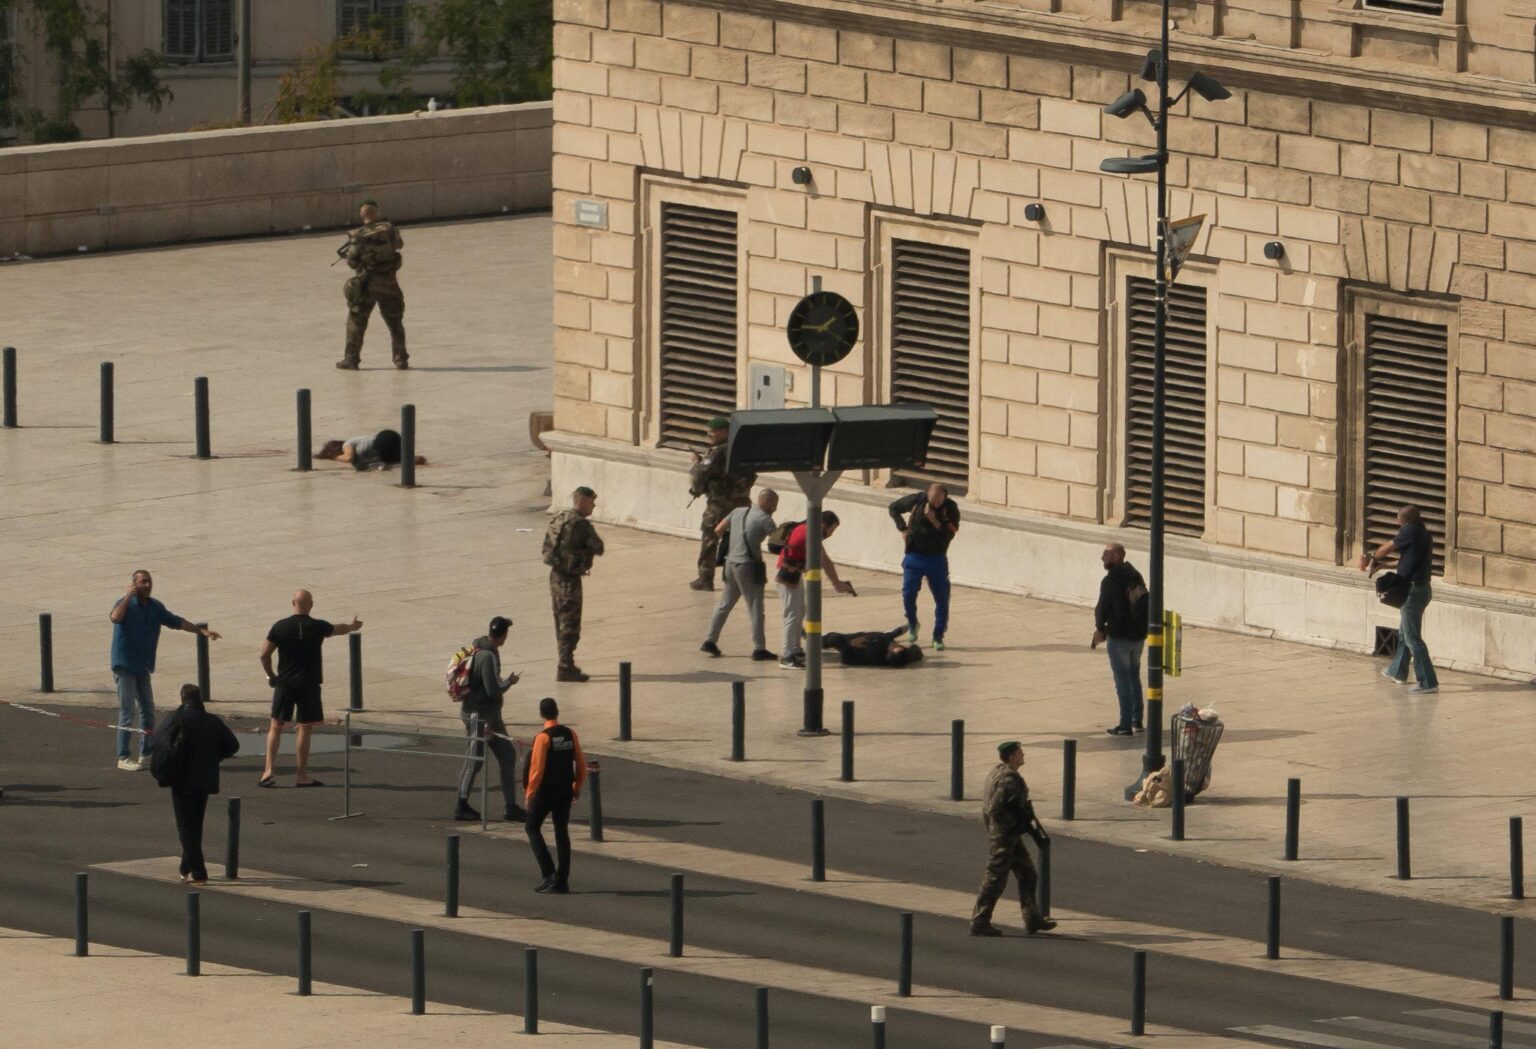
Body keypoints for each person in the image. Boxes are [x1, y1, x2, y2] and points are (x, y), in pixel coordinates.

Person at [108, 570, 222, 772]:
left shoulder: (155, 607)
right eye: (143, 582)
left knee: (148, 710)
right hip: (124, 665)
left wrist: (201, 631)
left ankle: (146, 752)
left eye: (149, 581)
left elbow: (178, 622)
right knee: (127, 711)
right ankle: (123, 756)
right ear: (134, 584)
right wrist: (127, 597)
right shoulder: (125, 604)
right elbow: (115, 618)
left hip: (143, 665)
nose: (147, 585)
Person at [257, 590, 362, 787]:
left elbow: (264, 654)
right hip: (308, 683)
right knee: (304, 727)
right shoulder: (317, 626)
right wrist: (351, 626)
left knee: (276, 726)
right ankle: (302, 775)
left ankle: (268, 771)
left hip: (284, 683)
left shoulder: (280, 626)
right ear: (311, 605)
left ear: (293, 603)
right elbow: (337, 629)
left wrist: (271, 675)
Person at [971, 741, 1057, 937]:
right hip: (1004, 837)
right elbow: (995, 809)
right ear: (1011, 756)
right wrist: (1014, 825)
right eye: (1020, 752)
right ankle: (979, 921)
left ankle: (1032, 918)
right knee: (995, 878)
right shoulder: (1009, 779)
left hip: (1007, 835)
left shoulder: (998, 771)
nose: (1023, 755)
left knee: (1028, 873)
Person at [156, 684, 239, 886]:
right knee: (195, 825)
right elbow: (232, 745)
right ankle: (185, 866)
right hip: (204, 780)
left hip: (181, 779)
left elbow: (155, 741)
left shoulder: (176, 718)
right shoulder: (212, 721)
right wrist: (214, 757)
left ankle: (199, 872)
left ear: (182, 698)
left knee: (185, 827)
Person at [454, 615, 526, 823]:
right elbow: (492, 690)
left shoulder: (486, 650)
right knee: (474, 760)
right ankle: (461, 805)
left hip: (490, 714)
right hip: (478, 715)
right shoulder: (487, 656)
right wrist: (509, 682)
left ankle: (510, 807)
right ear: (503, 635)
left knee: (508, 755)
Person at [1361, 505, 1438, 695]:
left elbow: (1388, 547)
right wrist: (1383, 565)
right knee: (1405, 634)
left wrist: (1371, 556)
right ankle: (1398, 671)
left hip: (1413, 592)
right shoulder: (1423, 534)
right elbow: (1406, 561)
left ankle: (1428, 682)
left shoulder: (1410, 531)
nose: (1397, 523)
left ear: (1402, 520)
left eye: (1397, 519)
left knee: (1412, 638)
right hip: (1421, 590)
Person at [700, 488, 779, 661]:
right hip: (748, 566)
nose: (776, 509)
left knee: (724, 604)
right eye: (775, 505)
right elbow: (777, 543)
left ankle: (709, 640)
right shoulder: (766, 520)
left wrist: (735, 541)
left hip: (730, 563)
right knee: (756, 608)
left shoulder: (738, 511)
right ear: (768, 504)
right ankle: (759, 648)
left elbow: (718, 530)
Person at [775, 510, 854, 670]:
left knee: (799, 612)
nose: (831, 534)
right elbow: (825, 562)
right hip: (787, 576)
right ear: (824, 524)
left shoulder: (807, 528)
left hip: (793, 575)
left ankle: (795, 650)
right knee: (792, 615)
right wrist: (837, 584)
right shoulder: (810, 533)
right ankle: (787, 656)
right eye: (831, 529)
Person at [524, 697, 588, 894]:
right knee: (561, 832)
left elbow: (537, 769)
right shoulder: (570, 734)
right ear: (557, 712)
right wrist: (577, 786)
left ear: (541, 714)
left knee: (532, 827)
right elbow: (581, 763)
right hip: (565, 790)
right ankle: (562, 879)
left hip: (546, 792)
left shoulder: (543, 738)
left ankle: (548, 873)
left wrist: (530, 793)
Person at [888, 484, 962, 650]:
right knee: (908, 593)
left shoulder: (950, 508)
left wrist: (933, 518)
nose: (935, 503)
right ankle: (913, 623)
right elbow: (893, 508)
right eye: (932, 500)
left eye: (939, 501)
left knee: (942, 598)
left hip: (937, 559)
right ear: (927, 494)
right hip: (914, 556)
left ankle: (938, 636)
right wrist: (903, 528)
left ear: (945, 497)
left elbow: (949, 533)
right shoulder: (917, 501)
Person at [543, 487, 605, 682]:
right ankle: (565, 666)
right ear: (582, 502)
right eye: (592, 502)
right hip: (570, 581)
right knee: (570, 624)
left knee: (560, 621)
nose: (594, 506)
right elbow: (599, 547)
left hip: (555, 576)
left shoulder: (560, 518)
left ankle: (564, 661)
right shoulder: (581, 525)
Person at [337, 198, 407, 370]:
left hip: (367, 285)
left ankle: (351, 359)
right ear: (377, 212)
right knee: (395, 323)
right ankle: (400, 359)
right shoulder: (390, 229)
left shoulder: (357, 235)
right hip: (389, 283)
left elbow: (353, 261)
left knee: (356, 321)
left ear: (362, 216)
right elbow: (399, 245)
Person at [688, 416, 756, 591]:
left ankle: (705, 578)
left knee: (710, 538)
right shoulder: (743, 448)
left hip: (720, 504)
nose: (709, 434)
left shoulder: (719, 452)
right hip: (742, 502)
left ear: (725, 432)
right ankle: (741, 578)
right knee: (740, 540)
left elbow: (699, 475)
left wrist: (695, 463)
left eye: (714, 431)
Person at [1091, 543, 1150, 735]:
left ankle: (1125, 725)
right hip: (1138, 636)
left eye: (1106, 554)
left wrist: (1100, 629)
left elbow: (1102, 608)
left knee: (1122, 680)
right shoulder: (1135, 575)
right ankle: (1137, 721)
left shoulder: (1110, 581)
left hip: (1119, 637)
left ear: (1116, 556)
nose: (1102, 558)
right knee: (1134, 677)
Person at [316, 430, 426, 470]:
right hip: (386, 441)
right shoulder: (357, 441)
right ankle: (414, 459)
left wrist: (333, 457)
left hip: (381, 444)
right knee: (401, 460)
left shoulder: (347, 444)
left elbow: (348, 457)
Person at [822, 626, 923, 668]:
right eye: (899, 646)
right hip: (875, 637)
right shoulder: (904, 655)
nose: (895, 645)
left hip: (850, 642)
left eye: (893, 647)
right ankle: (892, 633)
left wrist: (851, 644)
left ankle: (817, 641)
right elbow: (915, 651)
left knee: (833, 638)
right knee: (887, 637)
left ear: (888, 655)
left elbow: (847, 660)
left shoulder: (874, 654)